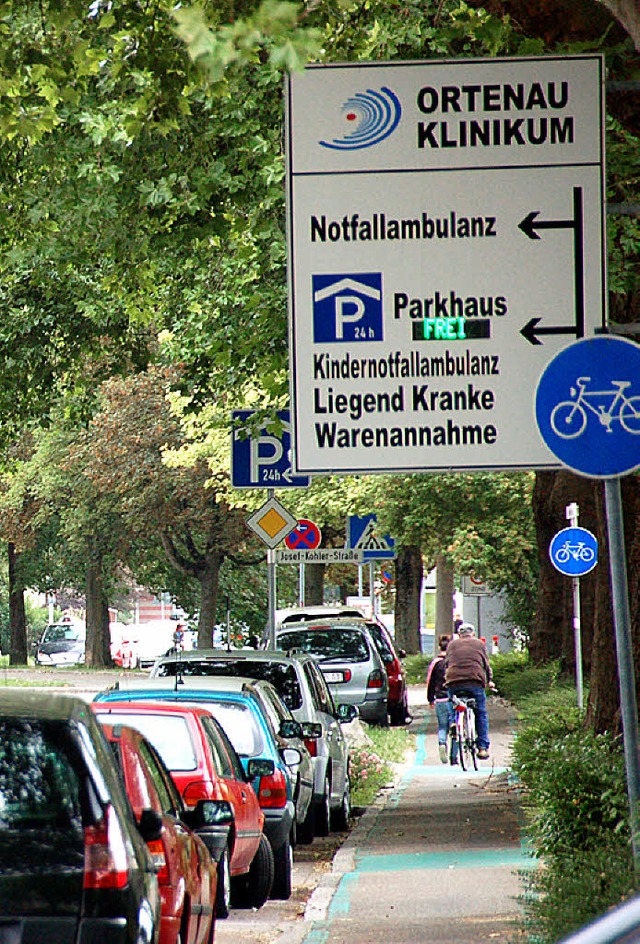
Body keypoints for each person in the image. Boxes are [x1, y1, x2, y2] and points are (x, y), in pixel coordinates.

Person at [444, 623, 492, 759]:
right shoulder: (479, 644)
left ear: (459, 635)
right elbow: (485, 665)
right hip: (474, 681)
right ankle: (482, 748)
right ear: (473, 634)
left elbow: (447, 663)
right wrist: (489, 680)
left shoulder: (452, 645)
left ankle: (453, 721)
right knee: (480, 712)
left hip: (453, 680)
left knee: (452, 700)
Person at [426, 635, 453, 764]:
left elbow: (430, 682)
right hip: (453, 698)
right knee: (455, 726)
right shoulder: (454, 661)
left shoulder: (435, 663)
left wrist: (430, 698)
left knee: (442, 726)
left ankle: (442, 743)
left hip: (440, 698)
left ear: (439, 647)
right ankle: (455, 757)